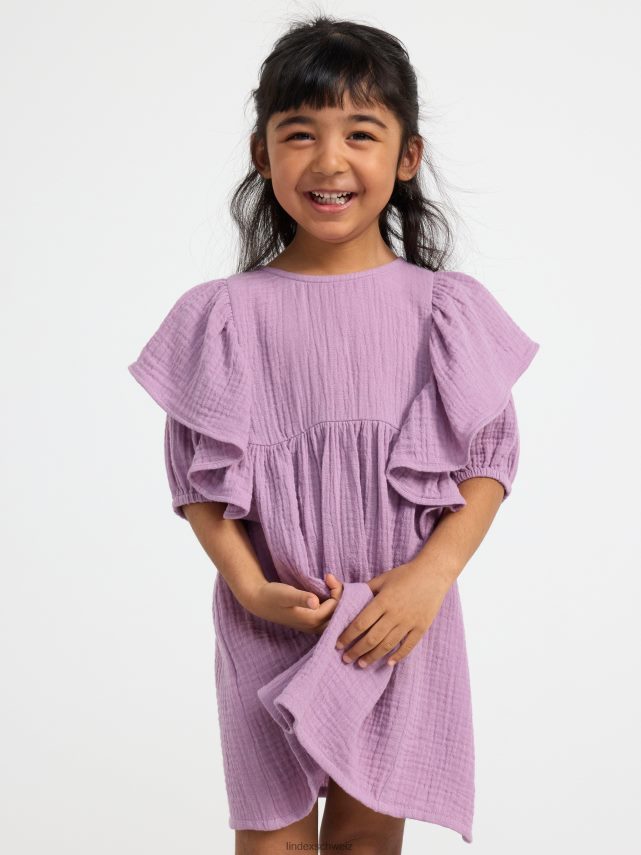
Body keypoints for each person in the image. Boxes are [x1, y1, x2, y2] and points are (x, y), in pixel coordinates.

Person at [127, 14, 540, 854]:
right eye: (299, 133)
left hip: (395, 617)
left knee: (364, 836)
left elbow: (489, 458)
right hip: (267, 618)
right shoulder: (223, 316)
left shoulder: (443, 310)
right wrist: (247, 585)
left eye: (359, 133)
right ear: (261, 153)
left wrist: (432, 573)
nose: (328, 161)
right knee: (272, 840)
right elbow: (196, 476)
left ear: (406, 155)